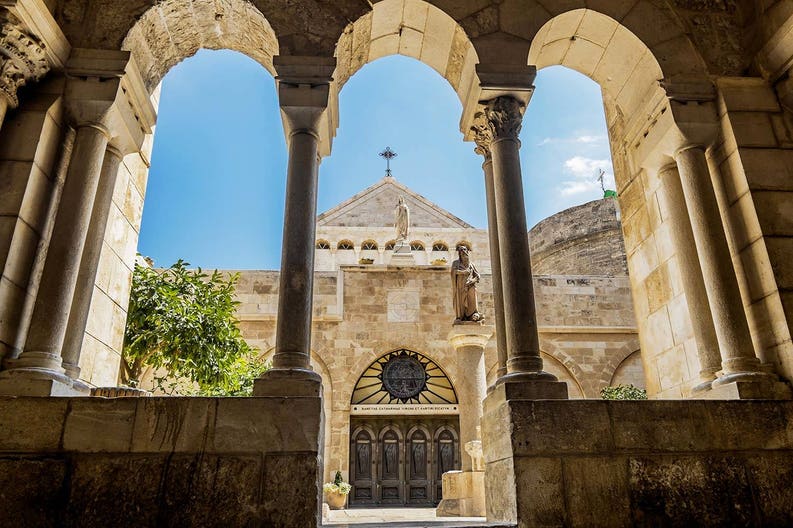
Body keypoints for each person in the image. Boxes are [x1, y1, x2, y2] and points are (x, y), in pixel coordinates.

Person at [451, 245, 483, 322]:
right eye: (461, 250)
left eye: (465, 249)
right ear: (459, 253)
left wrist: (473, 280)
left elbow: (477, 276)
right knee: (461, 301)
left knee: (472, 299)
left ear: (467, 251)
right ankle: (460, 316)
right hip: (460, 286)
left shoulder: (471, 264)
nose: (463, 251)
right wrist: (463, 272)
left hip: (470, 286)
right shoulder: (456, 263)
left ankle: (472, 315)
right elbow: (453, 272)